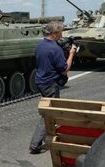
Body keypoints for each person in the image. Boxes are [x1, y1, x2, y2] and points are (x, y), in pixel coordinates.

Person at [29, 20, 76, 154]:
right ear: (55, 33)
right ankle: (35, 145)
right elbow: (64, 70)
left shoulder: (41, 44)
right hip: (50, 84)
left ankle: (49, 136)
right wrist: (71, 54)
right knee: (48, 114)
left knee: (49, 110)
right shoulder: (55, 49)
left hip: (40, 81)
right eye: (60, 32)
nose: (61, 35)